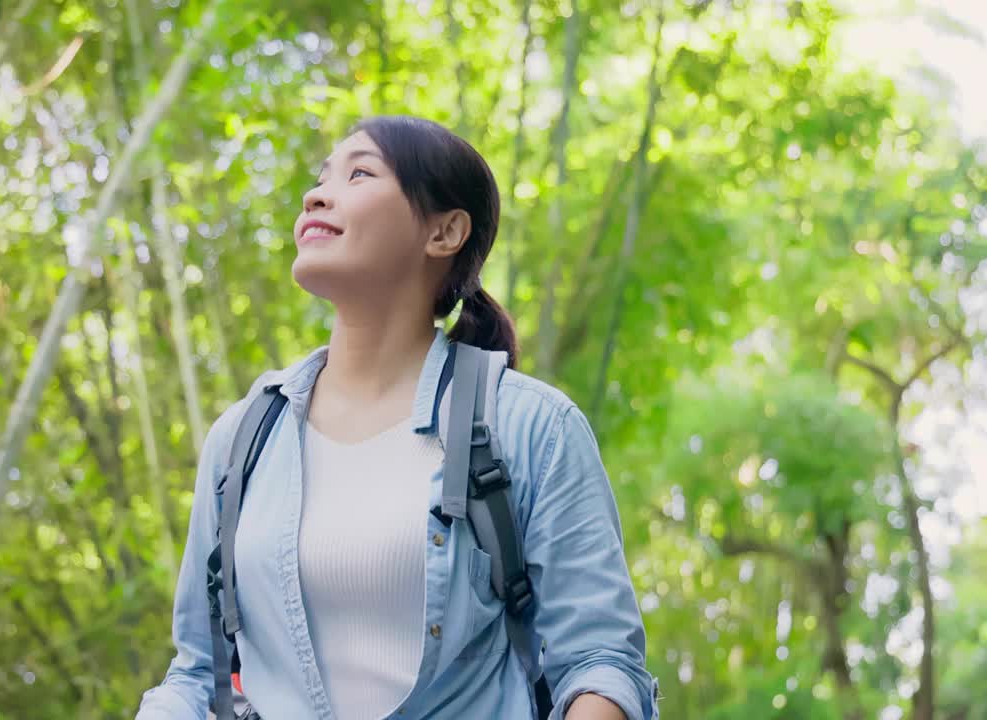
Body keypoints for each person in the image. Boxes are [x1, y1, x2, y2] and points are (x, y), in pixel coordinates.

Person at [135, 115, 658, 720]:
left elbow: (599, 662)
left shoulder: (531, 427)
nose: (317, 194)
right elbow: (199, 674)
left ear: (445, 232)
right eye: (321, 176)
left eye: (360, 172)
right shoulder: (244, 440)